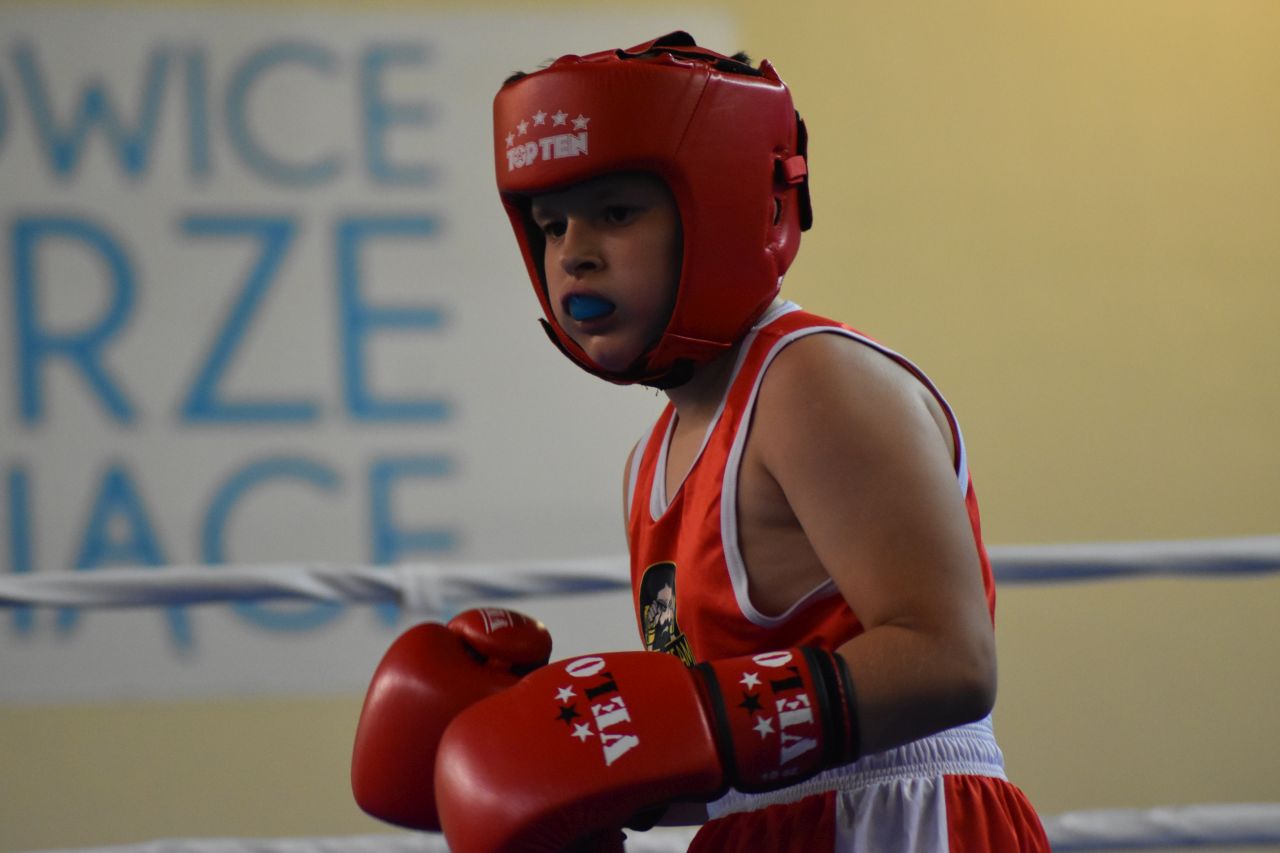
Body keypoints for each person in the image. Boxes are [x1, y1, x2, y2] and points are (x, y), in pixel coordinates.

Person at [353, 31, 1050, 852]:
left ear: (719, 207)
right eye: (552, 225)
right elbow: (739, 753)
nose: (574, 255)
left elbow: (951, 660)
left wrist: (704, 719)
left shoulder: (810, 382)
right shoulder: (649, 463)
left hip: (900, 823)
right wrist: (579, 777)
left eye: (616, 212)